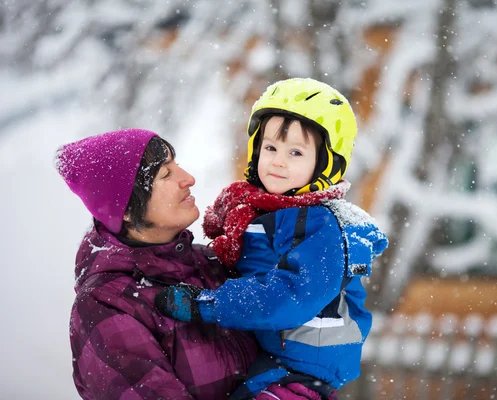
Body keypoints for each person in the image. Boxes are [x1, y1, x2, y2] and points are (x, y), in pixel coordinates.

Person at [155, 78, 389, 400]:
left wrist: (208, 304)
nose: (278, 161)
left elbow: (290, 296)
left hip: (305, 371)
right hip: (273, 360)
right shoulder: (261, 212)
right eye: (270, 148)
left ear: (326, 165)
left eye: (295, 152)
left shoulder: (322, 227)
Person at [56, 129, 263, 400]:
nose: (189, 179)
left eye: (176, 165)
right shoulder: (105, 307)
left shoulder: (209, 262)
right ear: (127, 210)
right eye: (165, 174)